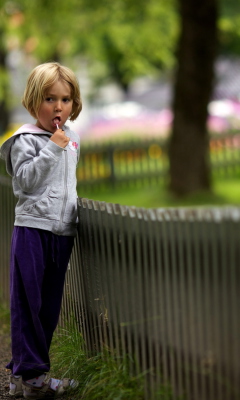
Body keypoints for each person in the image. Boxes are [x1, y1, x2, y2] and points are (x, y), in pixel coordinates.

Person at [0, 62, 82, 398]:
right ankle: (31, 378)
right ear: (34, 102)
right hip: (33, 230)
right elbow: (25, 183)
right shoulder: (26, 140)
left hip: (61, 233)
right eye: (49, 99)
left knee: (49, 305)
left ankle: (30, 373)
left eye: (65, 99)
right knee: (27, 302)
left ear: (74, 104)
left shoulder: (72, 139)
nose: (58, 107)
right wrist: (51, 148)